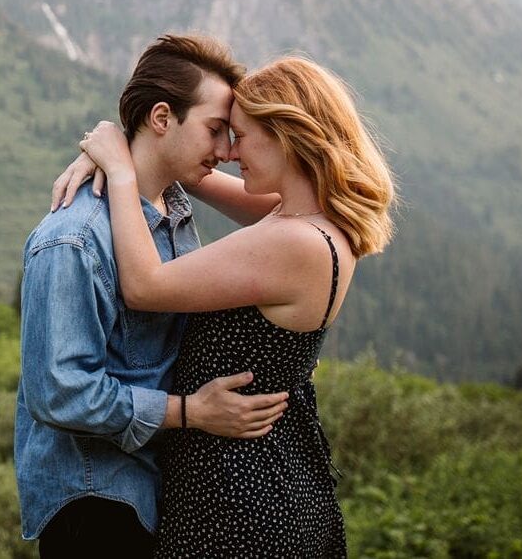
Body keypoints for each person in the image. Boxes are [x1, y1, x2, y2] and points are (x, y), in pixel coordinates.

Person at [68, 55, 396, 557]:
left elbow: (145, 286)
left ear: (286, 133)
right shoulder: (305, 214)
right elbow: (187, 168)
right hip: (266, 468)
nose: (226, 152)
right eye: (221, 134)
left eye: (239, 136)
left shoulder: (297, 242)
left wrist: (118, 172)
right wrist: (120, 142)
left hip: (239, 494)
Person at [15, 34, 291, 558]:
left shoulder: (173, 209)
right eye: (215, 131)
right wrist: (190, 412)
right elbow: (59, 391)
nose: (227, 151)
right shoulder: (72, 238)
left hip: (154, 486)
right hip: (96, 503)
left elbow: (297, 207)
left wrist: (124, 159)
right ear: (162, 118)